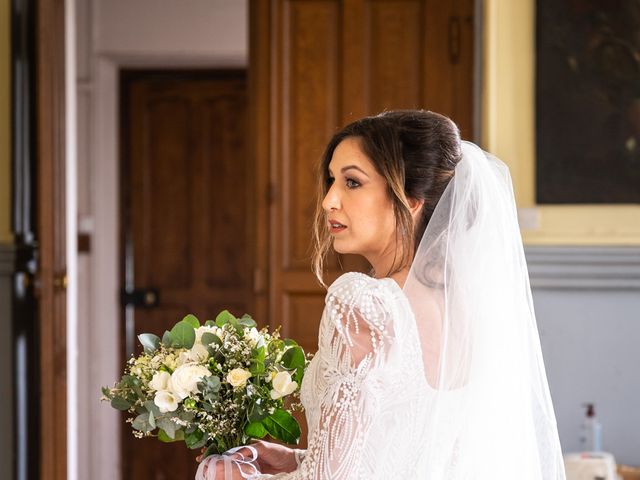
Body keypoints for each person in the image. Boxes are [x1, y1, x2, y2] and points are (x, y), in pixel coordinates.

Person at [197, 110, 566, 479]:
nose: (329, 200)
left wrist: (231, 476)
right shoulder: (477, 310)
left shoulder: (364, 304)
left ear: (410, 199)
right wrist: (298, 459)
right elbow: (409, 451)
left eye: (352, 182)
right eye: (331, 181)